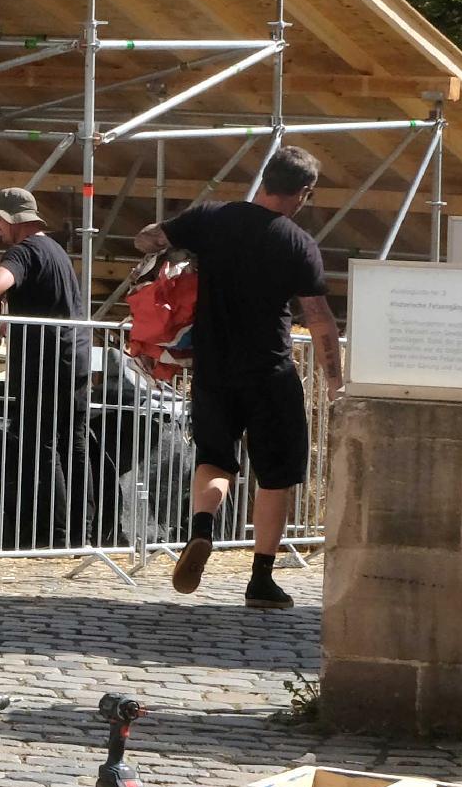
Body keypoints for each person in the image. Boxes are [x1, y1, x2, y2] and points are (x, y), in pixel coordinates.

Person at [132, 144, 343, 611]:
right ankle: (261, 580)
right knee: (276, 475)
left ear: (265, 178)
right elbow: (320, 318)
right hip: (269, 370)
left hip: (212, 368)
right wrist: (334, 383)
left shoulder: (211, 217)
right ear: (303, 194)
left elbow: (147, 238)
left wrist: (164, 246)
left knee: (215, 460)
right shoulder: (297, 244)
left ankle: (202, 529)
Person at [0, 186, 89, 534]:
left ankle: (52, 533)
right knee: (73, 441)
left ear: (14, 221)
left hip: (44, 361)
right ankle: (82, 530)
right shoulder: (55, 250)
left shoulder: (25, 252)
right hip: (75, 356)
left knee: (40, 441)